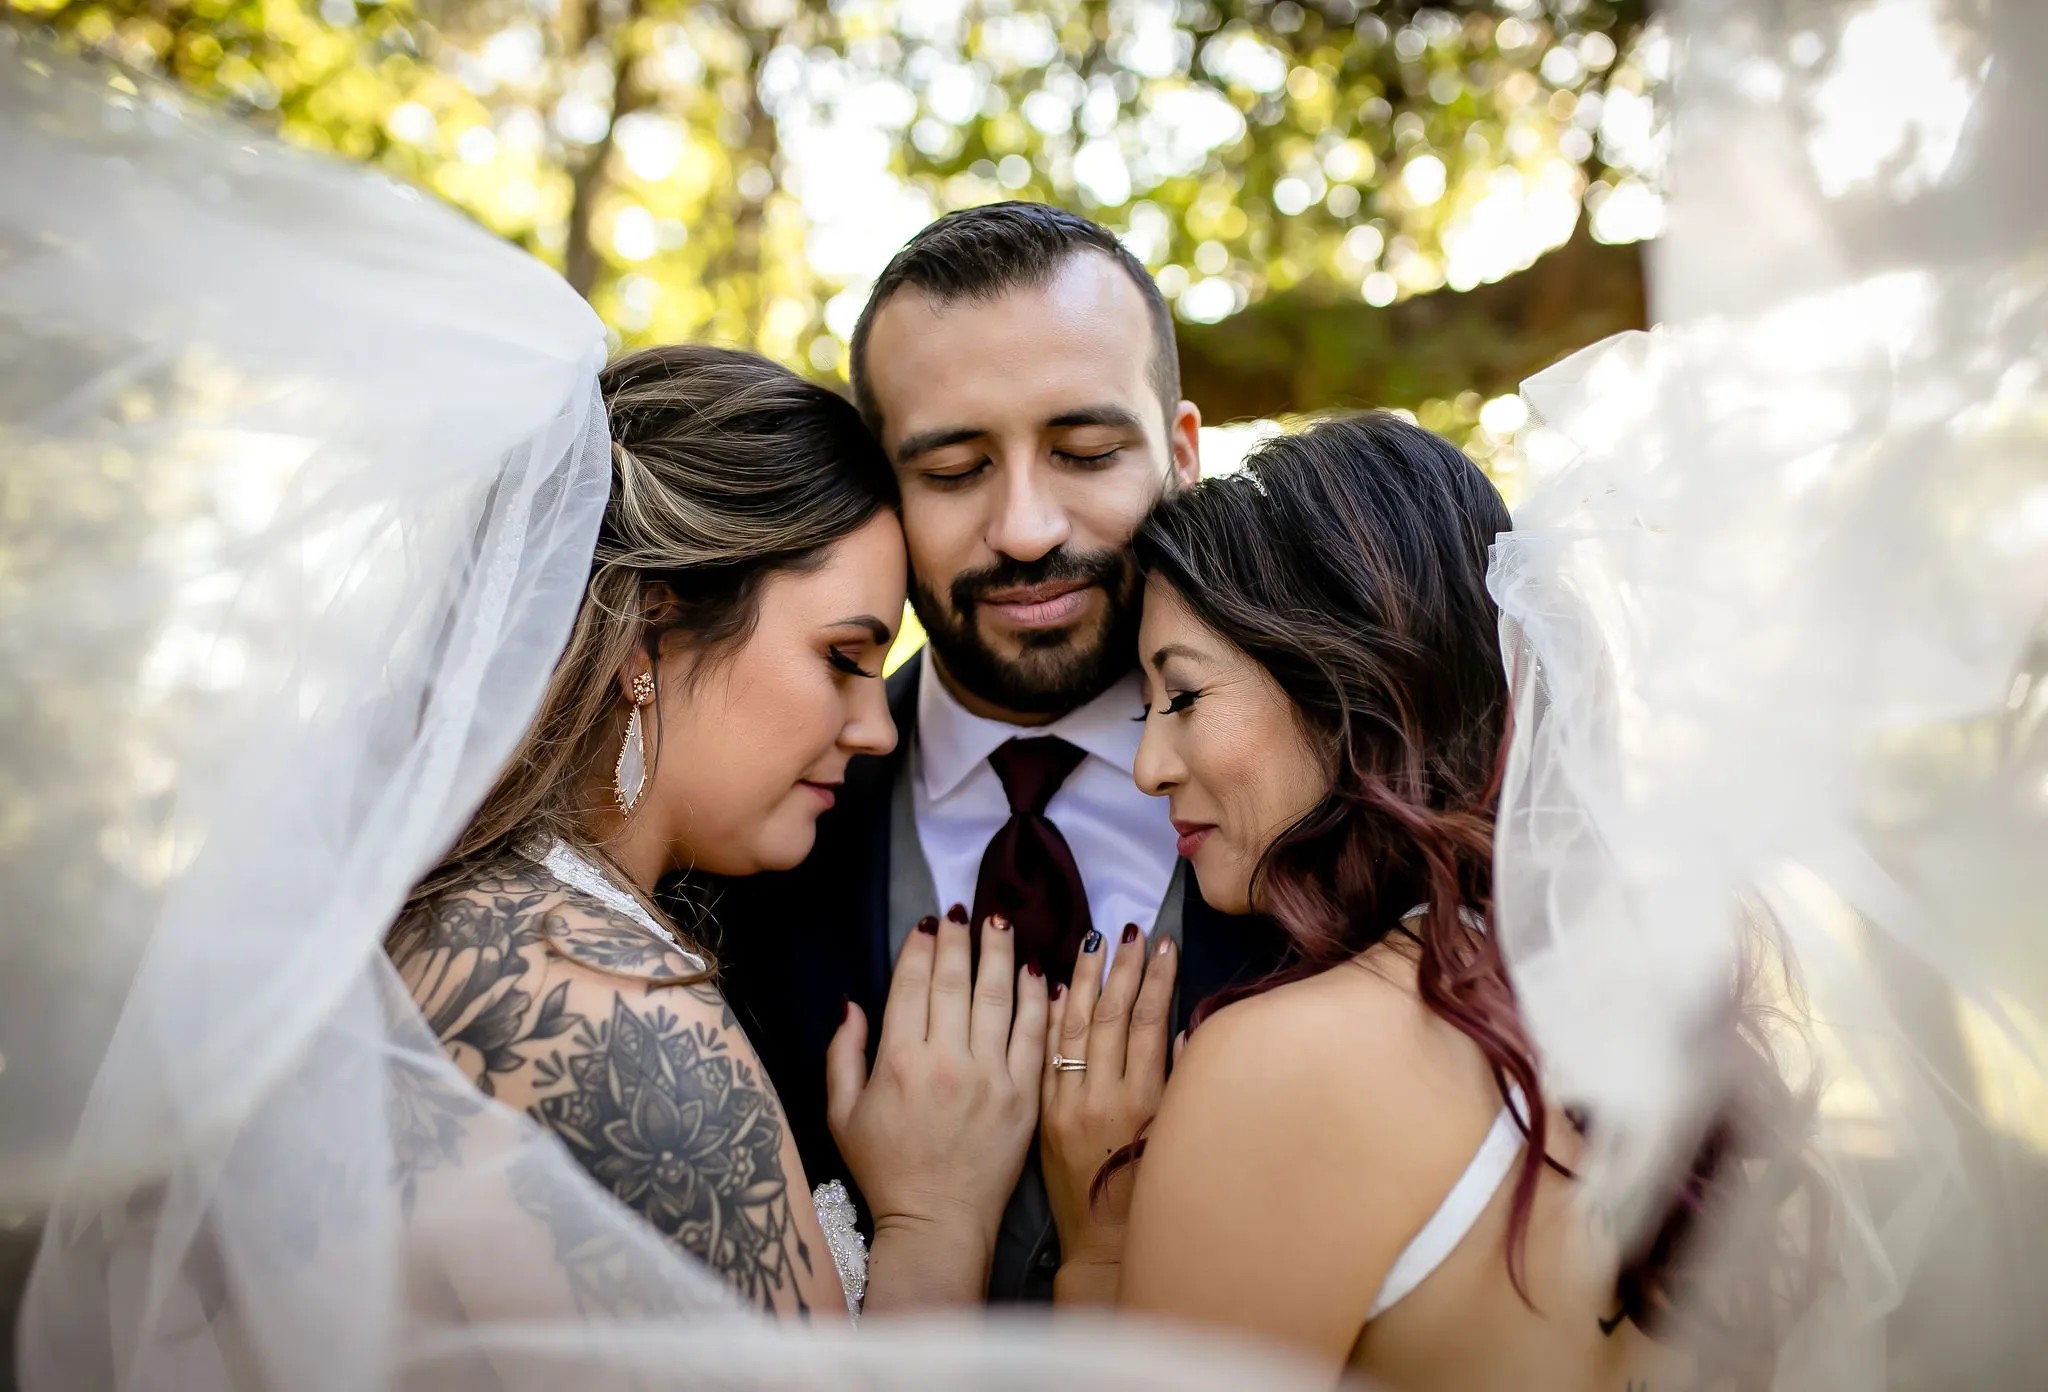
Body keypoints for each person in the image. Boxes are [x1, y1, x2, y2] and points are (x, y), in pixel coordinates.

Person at [1039, 413, 1821, 1388]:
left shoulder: (1286, 1064)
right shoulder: (1620, 998)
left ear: (1342, 679)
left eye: (1182, 695)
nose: (1149, 764)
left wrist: (1098, 1253)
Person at [387, 342, 1049, 1318]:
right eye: (841, 658)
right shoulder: (613, 1010)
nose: (873, 728)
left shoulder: (441, 915)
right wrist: (936, 1220)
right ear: (649, 631)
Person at [710, 202, 1289, 1303]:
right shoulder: (737, 836)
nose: (1024, 529)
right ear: (882, 492)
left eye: (1081, 452)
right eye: (952, 469)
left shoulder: (1335, 804)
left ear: (1178, 455)